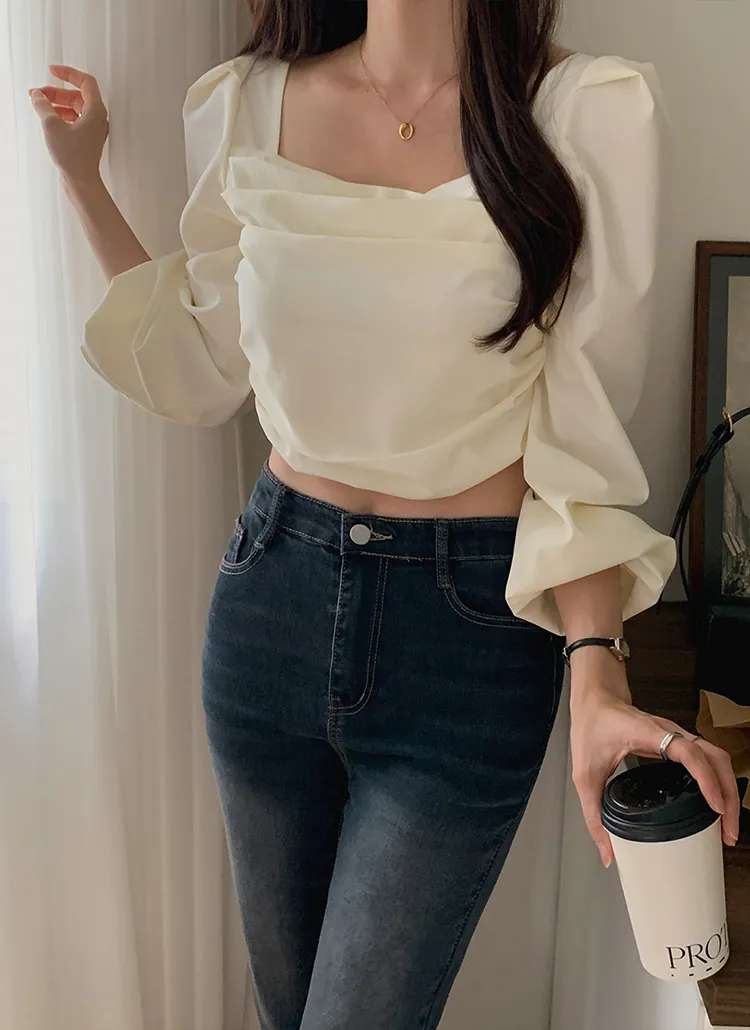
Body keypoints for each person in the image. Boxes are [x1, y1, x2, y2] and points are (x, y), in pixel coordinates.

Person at [30, 1, 740, 1027]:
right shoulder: (250, 103)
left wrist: (597, 667)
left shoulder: (587, 112)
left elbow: (582, 447)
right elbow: (201, 363)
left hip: (470, 637)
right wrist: (82, 179)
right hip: (271, 602)